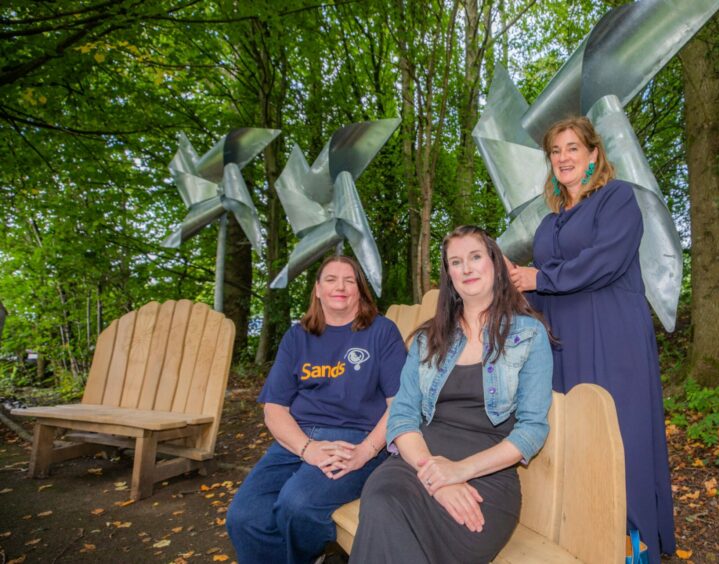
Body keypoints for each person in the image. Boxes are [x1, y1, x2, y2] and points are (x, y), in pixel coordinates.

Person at [507, 116, 676, 564]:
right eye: (555, 152)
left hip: (612, 333)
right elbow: (535, 288)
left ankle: (631, 548)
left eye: (572, 149)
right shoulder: (548, 222)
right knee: (572, 437)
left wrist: (538, 276)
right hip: (562, 340)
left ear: (594, 155)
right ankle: (583, 537)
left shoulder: (617, 199)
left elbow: (606, 260)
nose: (562, 158)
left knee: (621, 435)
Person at [350, 225, 553, 564]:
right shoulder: (427, 340)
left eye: (475, 257)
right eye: (456, 262)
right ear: (450, 276)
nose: (467, 268)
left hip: (486, 479)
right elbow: (402, 416)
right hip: (416, 466)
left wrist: (460, 472)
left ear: (495, 264)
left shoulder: (529, 335)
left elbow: (532, 429)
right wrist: (437, 476)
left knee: (391, 531)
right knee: (383, 503)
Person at [226, 256, 406, 564]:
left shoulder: (381, 332)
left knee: (298, 505)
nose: (341, 287)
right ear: (318, 290)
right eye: (332, 279)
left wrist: (366, 451)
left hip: (357, 439)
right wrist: (307, 449)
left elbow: (400, 404)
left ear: (360, 291)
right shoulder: (297, 337)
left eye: (350, 280)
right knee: (243, 515)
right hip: (297, 440)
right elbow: (274, 409)